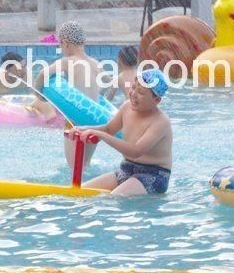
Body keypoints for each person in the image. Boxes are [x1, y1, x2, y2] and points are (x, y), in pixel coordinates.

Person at [69, 69, 172, 197]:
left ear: (156, 100)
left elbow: (135, 151)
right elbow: (108, 129)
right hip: (126, 169)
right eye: (133, 87)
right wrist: (82, 129)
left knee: (111, 199)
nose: (133, 94)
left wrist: (101, 135)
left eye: (140, 92)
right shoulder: (126, 107)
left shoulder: (160, 122)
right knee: (79, 192)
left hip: (154, 175)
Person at [36, 20, 102, 168]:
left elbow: (42, 74)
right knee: (86, 164)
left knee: (74, 167)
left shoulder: (68, 61)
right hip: (96, 121)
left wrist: (39, 94)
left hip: (75, 121)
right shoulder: (95, 63)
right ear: (83, 41)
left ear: (65, 43)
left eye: (60, 45)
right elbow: (109, 85)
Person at [0, 51, 57, 120]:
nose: (23, 71)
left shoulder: (27, 75)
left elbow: (34, 94)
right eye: (17, 69)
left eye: (24, 66)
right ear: (6, 71)